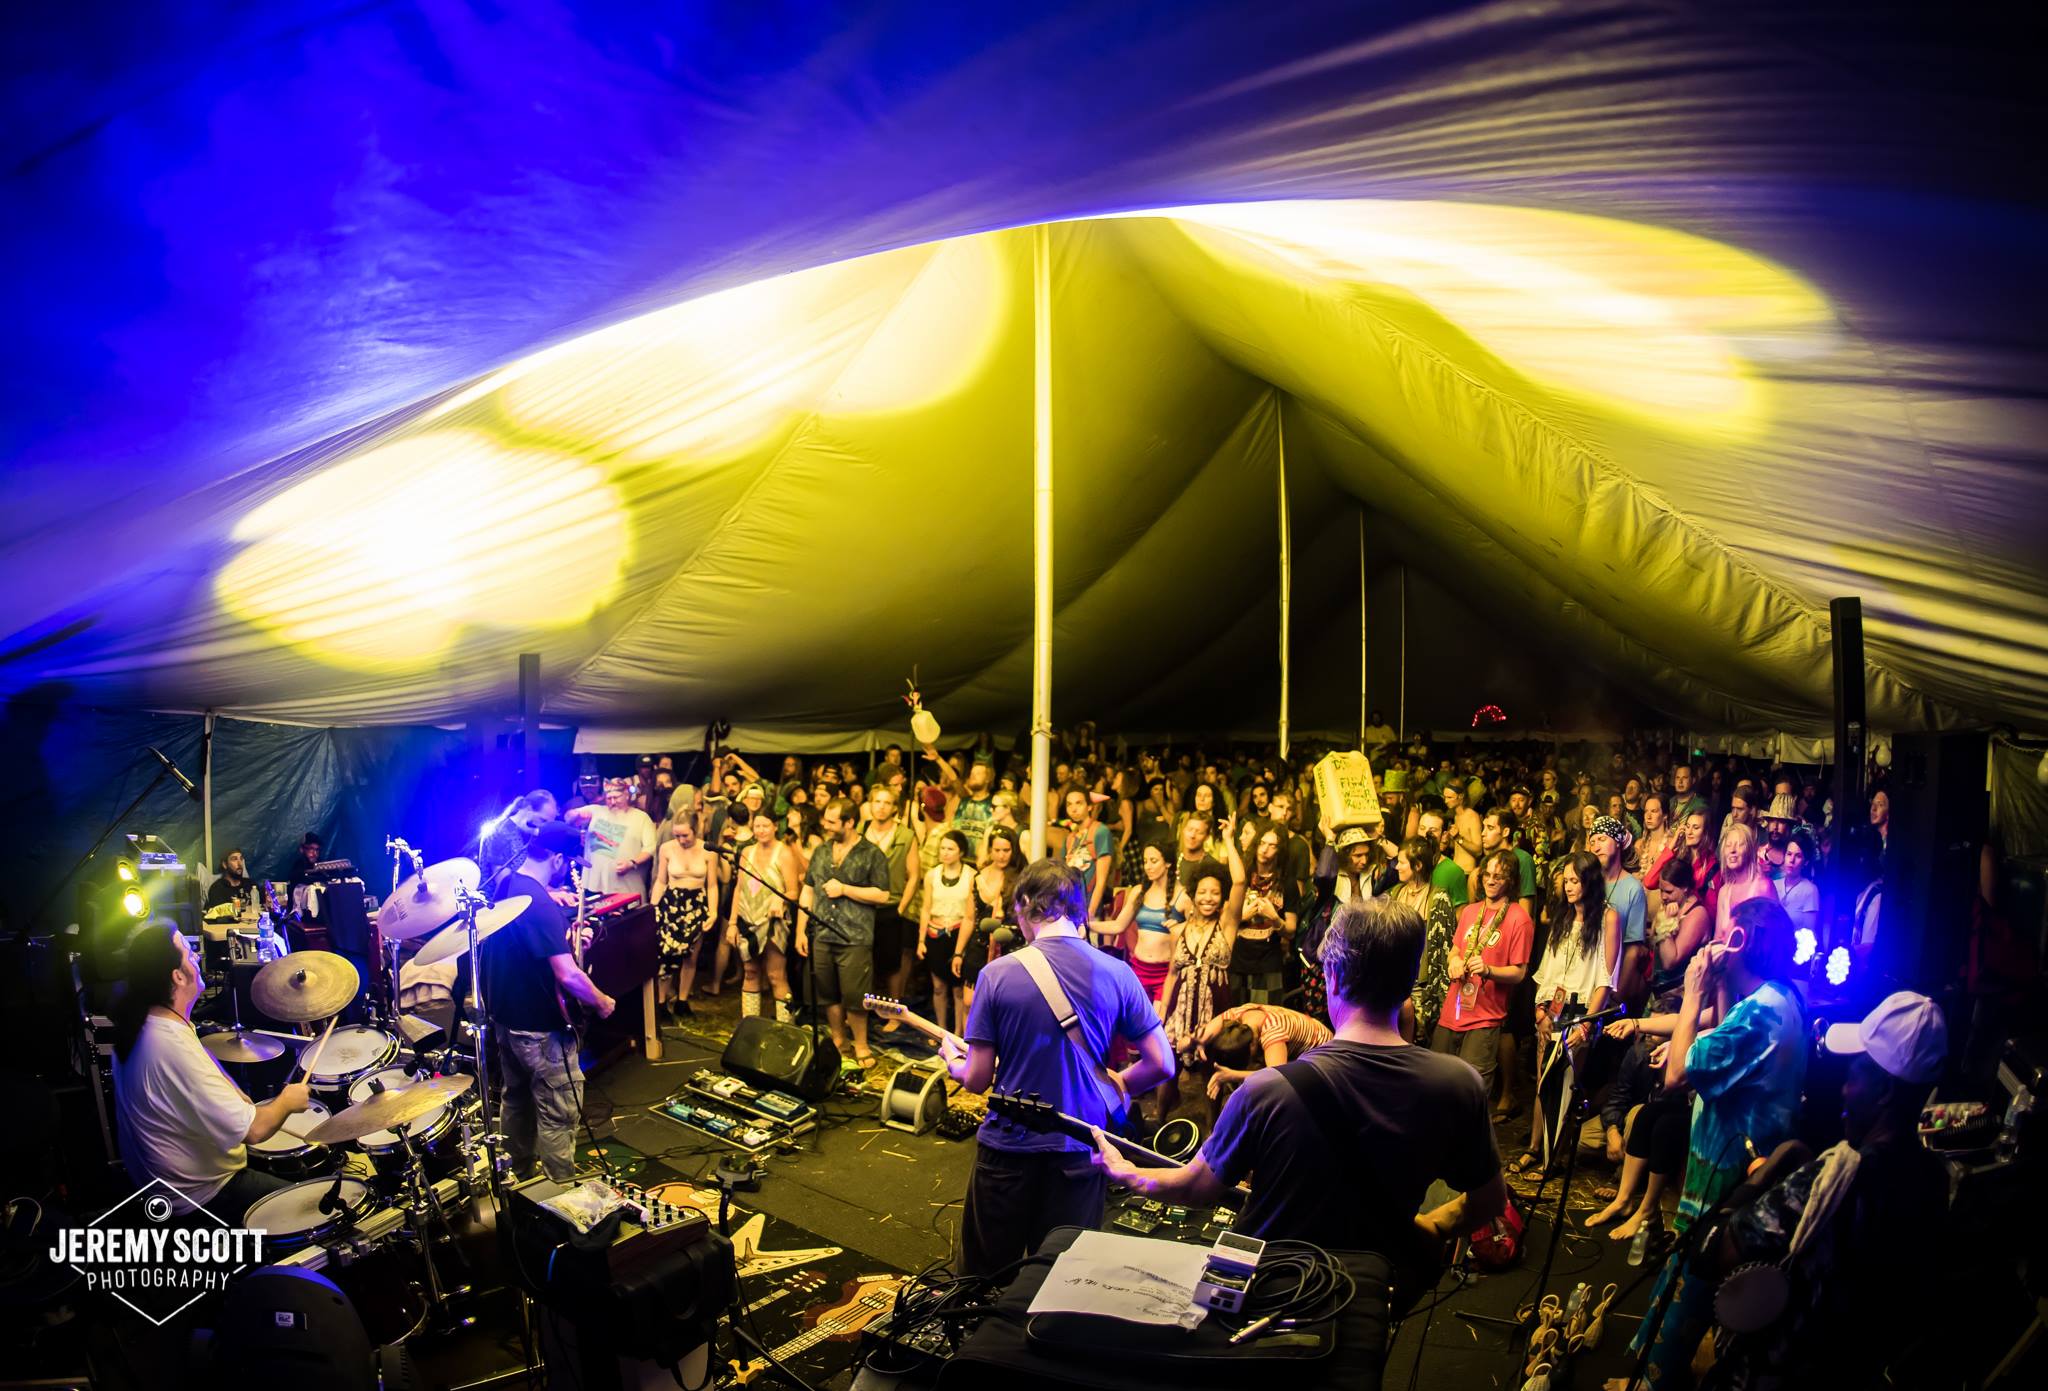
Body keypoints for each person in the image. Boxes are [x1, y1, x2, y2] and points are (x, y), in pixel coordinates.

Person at [1093, 898, 1508, 1311]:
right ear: (1409, 979)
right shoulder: (1458, 1084)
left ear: (1333, 976)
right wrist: (1433, 1227)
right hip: (1370, 1297)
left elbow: (1194, 1188)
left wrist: (1127, 1172)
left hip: (1271, 1295)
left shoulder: (1266, 1091)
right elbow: (1489, 1200)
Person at [1702, 992, 1949, 1390]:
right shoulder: (1933, 1179)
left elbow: (1716, 1254)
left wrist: (1765, 1178)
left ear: (1885, 1090)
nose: (1844, 1089)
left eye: (1854, 1074)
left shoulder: (1838, 1174)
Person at [941, 859, 1174, 1276]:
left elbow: (976, 1079)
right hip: (1081, 1147)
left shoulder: (996, 975)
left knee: (982, 1278)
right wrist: (1120, 1082)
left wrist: (952, 1060)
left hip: (1009, 1149)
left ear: (1026, 904)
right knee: (1059, 1278)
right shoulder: (1118, 972)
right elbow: (1162, 1063)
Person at [1632, 897, 1807, 1386]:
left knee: (1692, 1290)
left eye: (1726, 933)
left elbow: (1677, 1075)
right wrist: (1723, 986)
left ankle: (1652, 1382)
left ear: (1740, 942)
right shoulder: (1779, 998)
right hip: (1739, 1170)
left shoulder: (1762, 1015)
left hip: (1726, 1178)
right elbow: (1725, 1039)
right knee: (1693, 1285)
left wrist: (1693, 994)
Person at [110, 924, 314, 1221]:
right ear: (178, 977)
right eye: (188, 952)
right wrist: (288, 1100)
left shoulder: (148, 1023)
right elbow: (255, 1131)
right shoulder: (170, 1045)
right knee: (312, 1208)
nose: (196, 957)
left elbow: (227, 1096)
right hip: (201, 1198)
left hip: (164, 1186)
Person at [483, 821, 617, 1181]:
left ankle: (518, 1182)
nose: (569, 871)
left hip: (507, 1021)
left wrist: (568, 943)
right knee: (559, 1115)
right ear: (557, 859)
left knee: (516, 1100)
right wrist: (602, 1001)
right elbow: (568, 976)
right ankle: (560, 1192)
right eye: (569, 863)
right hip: (540, 1029)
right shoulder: (539, 903)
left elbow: (525, 954)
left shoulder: (509, 885)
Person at [1512, 851, 1617, 1177]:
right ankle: (1534, 1147)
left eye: (1575, 881)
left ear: (1590, 881)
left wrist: (1586, 1024)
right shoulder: (1562, 916)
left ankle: (1552, 1159)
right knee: (1543, 1082)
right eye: (1566, 881)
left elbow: (1605, 979)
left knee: (1566, 1085)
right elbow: (1547, 970)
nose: (1568, 887)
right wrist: (1539, 1011)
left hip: (1581, 1012)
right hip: (1551, 1007)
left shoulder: (1608, 918)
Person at [797, 798, 894, 1069]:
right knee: (826, 992)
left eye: (832, 821)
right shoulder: (821, 851)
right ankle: (839, 1039)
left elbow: (882, 894)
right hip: (821, 934)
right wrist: (801, 931)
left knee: (855, 995)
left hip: (854, 936)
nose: (826, 826)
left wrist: (845, 889)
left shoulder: (871, 853)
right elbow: (808, 889)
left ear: (849, 822)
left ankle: (861, 1044)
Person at [1431, 847, 1533, 1094]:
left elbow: (1519, 973)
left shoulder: (1519, 919)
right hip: (1451, 1013)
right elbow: (1455, 950)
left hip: (1484, 1017)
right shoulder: (1470, 911)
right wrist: (1454, 961)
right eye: (1487, 874)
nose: (1490, 880)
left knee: (1470, 1091)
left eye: (1498, 876)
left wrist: (1489, 970)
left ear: (1511, 880)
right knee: (1435, 1085)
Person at [727, 810, 800, 1022]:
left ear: (775, 826)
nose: (761, 830)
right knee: (750, 971)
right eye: (757, 826)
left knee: (776, 975)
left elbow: (794, 891)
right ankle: (749, 1026)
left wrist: (781, 899)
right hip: (747, 919)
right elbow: (739, 888)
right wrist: (732, 923)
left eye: (765, 826)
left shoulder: (784, 853)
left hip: (773, 922)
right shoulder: (747, 852)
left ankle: (785, 1028)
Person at [650, 812, 718, 1021]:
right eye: (677, 835)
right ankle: (661, 1003)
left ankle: (682, 1000)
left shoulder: (708, 851)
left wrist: (713, 911)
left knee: (691, 957)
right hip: (672, 904)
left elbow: (712, 885)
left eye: (685, 835)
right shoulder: (667, 848)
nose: (681, 840)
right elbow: (661, 880)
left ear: (695, 831)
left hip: (696, 905)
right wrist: (652, 908)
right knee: (666, 956)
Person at [862, 785, 920, 1014]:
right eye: (877, 801)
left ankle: (895, 1014)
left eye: (887, 802)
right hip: (861, 906)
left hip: (891, 907)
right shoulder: (860, 829)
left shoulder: (905, 835)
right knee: (862, 962)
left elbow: (914, 875)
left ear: (895, 807)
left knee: (892, 965)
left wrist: (901, 908)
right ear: (870, 804)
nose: (881, 807)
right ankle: (864, 1011)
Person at [1198, 1000, 1333, 1097]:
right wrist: (1198, 1041)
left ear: (1252, 1045)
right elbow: (1211, 1027)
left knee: (1275, 1088)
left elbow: (1277, 1076)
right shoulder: (1239, 1015)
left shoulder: (1272, 1033)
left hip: (1324, 1054)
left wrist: (1232, 1075)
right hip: (1299, 1047)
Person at [1229, 826, 1299, 1005]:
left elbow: (1291, 931)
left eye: (1272, 845)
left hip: (1268, 964)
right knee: (1234, 1017)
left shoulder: (1287, 883)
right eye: (1262, 843)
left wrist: (1274, 918)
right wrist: (1241, 916)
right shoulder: (1241, 876)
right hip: (1236, 960)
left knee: (1264, 1018)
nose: (1264, 849)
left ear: (1280, 850)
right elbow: (1222, 920)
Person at [918, 830, 976, 1034]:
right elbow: (926, 908)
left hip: (959, 934)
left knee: (958, 989)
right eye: (942, 848)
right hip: (935, 934)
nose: (945, 852)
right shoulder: (932, 875)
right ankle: (940, 1030)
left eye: (950, 848)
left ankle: (958, 1033)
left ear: (961, 852)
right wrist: (921, 940)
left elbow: (970, 914)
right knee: (938, 987)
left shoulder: (971, 875)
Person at [960, 824, 1022, 1012]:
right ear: (990, 850)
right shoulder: (979, 877)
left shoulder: (1020, 877)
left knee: (1000, 1005)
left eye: (1006, 850)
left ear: (1014, 850)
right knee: (969, 1002)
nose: (1002, 855)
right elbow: (969, 918)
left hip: (1008, 946)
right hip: (979, 945)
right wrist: (958, 952)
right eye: (997, 850)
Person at [567, 778, 657, 901]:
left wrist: (632, 863)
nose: (613, 802)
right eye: (609, 798)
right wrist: (574, 814)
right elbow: (569, 816)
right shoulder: (596, 811)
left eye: (616, 797)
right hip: (594, 887)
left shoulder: (641, 818)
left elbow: (651, 847)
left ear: (626, 795)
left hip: (628, 888)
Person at [480, 789, 560, 893]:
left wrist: (553, 891)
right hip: (495, 901)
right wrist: (547, 895)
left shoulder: (524, 834)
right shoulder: (500, 832)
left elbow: (524, 880)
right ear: (528, 808)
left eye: (548, 824)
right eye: (542, 820)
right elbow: (504, 882)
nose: (544, 828)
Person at [203, 849, 258, 916]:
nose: (240, 863)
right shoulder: (217, 889)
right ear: (225, 865)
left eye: (241, 859)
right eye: (234, 859)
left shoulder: (250, 884)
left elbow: (263, 905)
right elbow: (218, 915)